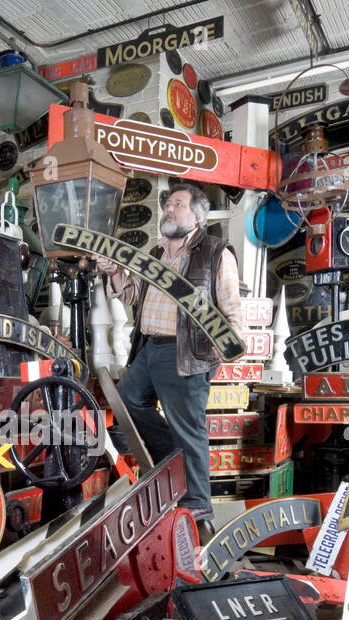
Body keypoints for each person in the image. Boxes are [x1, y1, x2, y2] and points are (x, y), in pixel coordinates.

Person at [97, 183, 243, 536]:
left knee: (189, 429)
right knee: (128, 402)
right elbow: (134, 295)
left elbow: (232, 311)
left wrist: (221, 353)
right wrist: (114, 271)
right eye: (167, 206)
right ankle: (173, 464)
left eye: (177, 205)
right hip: (150, 347)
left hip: (186, 351)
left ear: (196, 216)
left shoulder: (215, 253)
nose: (168, 210)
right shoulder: (157, 253)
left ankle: (197, 507)